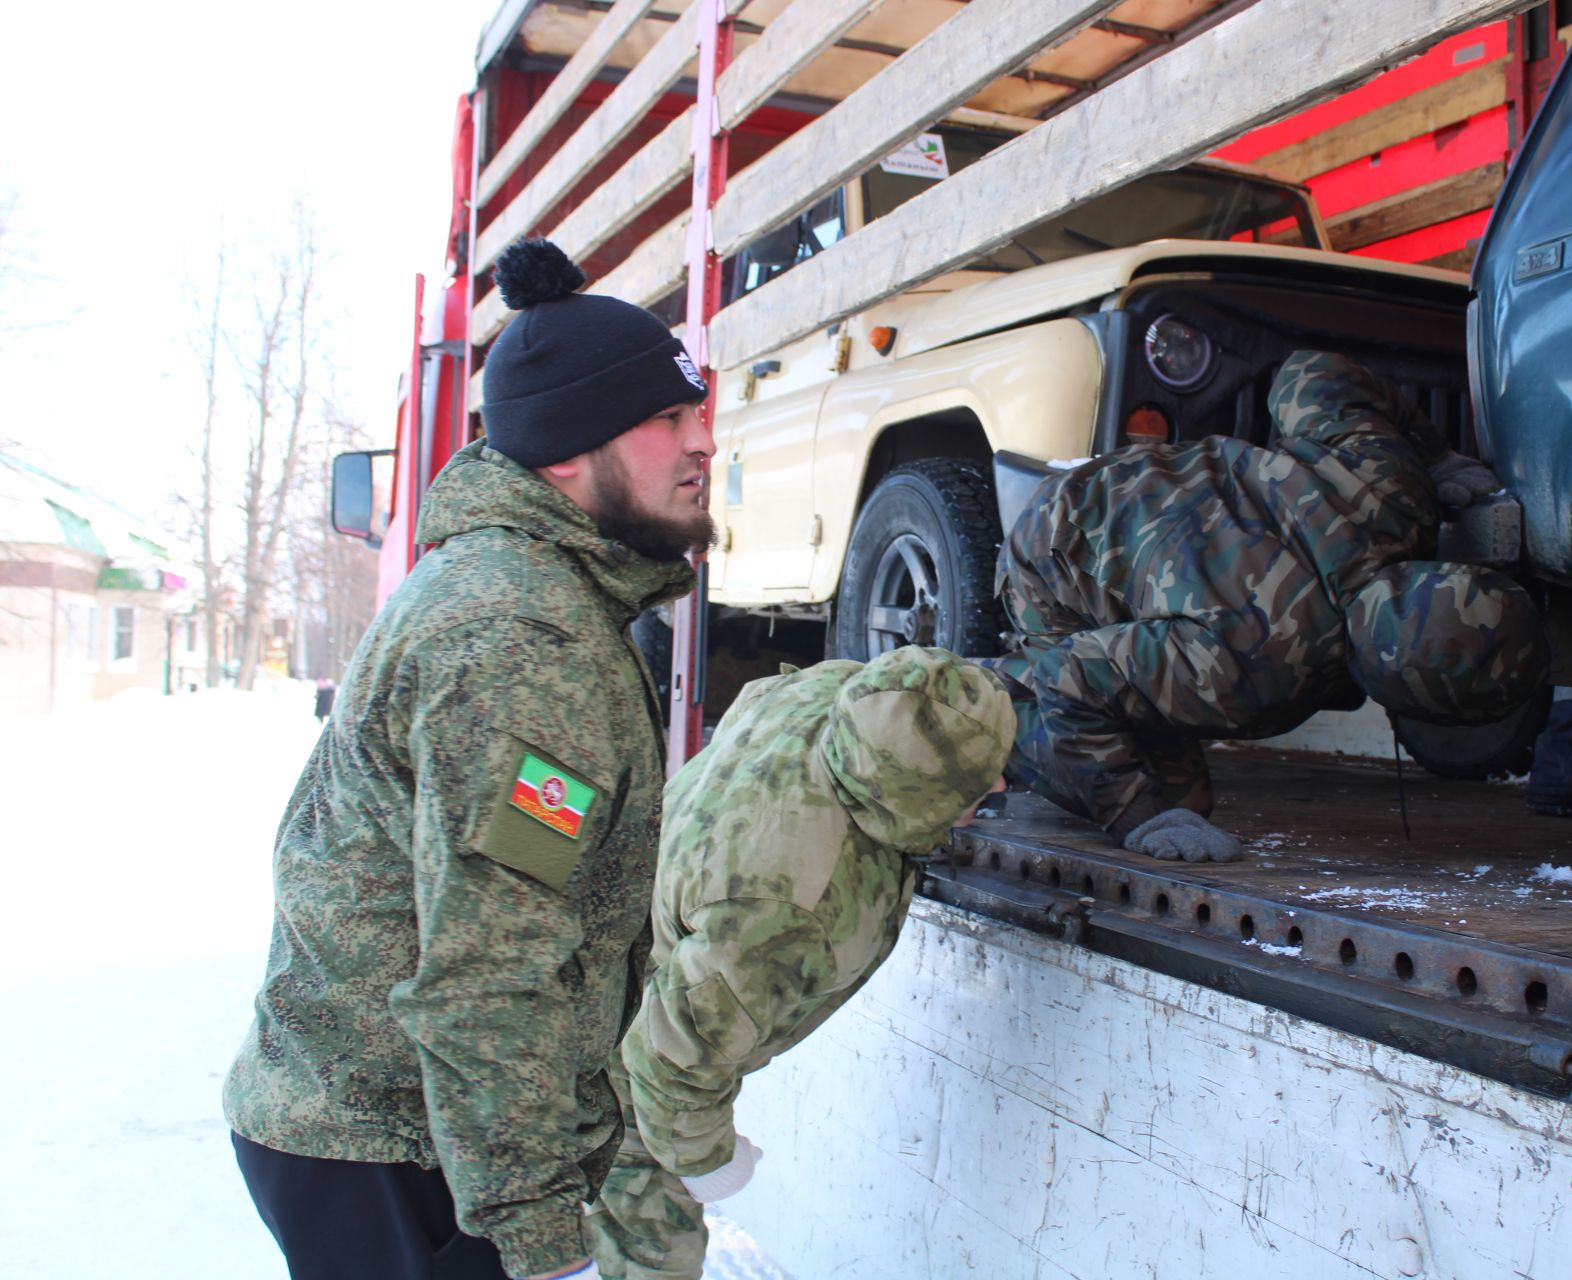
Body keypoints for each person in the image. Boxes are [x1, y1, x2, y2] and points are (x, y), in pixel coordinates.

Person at [223, 238, 714, 1280]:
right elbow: (490, 969)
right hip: (392, 1141)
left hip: (424, 1128)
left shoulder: (547, 598)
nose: (701, 441)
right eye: (665, 419)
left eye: (696, 412)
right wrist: (539, 1240)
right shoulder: (518, 643)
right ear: (566, 453)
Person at [987, 349, 1548, 863]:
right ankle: (995, 704)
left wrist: (1436, 457)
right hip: (1053, 560)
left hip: (1130, 480)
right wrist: (1135, 816)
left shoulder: (1393, 494)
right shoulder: (1250, 669)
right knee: (1178, 801)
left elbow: (1310, 371)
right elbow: (1072, 677)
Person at [588, 646, 1014, 1278]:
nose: (1002, 787)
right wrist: (704, 1158)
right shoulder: (785, 908)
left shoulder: (844, 697)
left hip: (638, 919)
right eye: (977, 783)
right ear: (912, 796)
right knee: (649, 1230)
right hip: (618, 1022)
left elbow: (759, 696)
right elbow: (668, 1059)